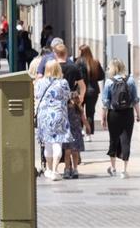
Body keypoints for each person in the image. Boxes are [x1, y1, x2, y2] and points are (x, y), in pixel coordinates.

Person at [101, 58, 140, 179]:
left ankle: (113, 168)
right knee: (126, 140)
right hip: (128, 113)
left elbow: (105, 103)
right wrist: (138, 114)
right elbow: (135, 100)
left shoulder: (109, 82)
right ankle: (124, 170)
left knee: (113, 139)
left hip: (113, 114)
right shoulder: (130, 80)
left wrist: (103, 118)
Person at [34, 60, 72, 181]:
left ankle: (49, 170)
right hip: (58, 115)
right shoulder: (63, 82)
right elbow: (67, 96)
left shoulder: (39, 82)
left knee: (48, 144)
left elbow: (37, 96)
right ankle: (55, 170)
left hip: (44, 116)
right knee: (57, 142)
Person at [57, 44, 86, 179]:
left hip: (58, 106)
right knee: (74, 135)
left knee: (64, 138)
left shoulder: (53, 68)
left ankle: (65, 168)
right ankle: (74, 168)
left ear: (55, 53)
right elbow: (82, 86)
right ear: (66, 53)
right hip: (72, 106)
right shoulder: (74, 67)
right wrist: (79, 99)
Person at [76, 44, 104, 142]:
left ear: (82, 52)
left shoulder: (78, 62)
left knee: (79, 111)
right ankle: (89, 134)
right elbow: (102, 76)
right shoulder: (95, 62)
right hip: (93, 91)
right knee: (90, 113)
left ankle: (81, 130)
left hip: (81, 91)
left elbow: (76, 77)